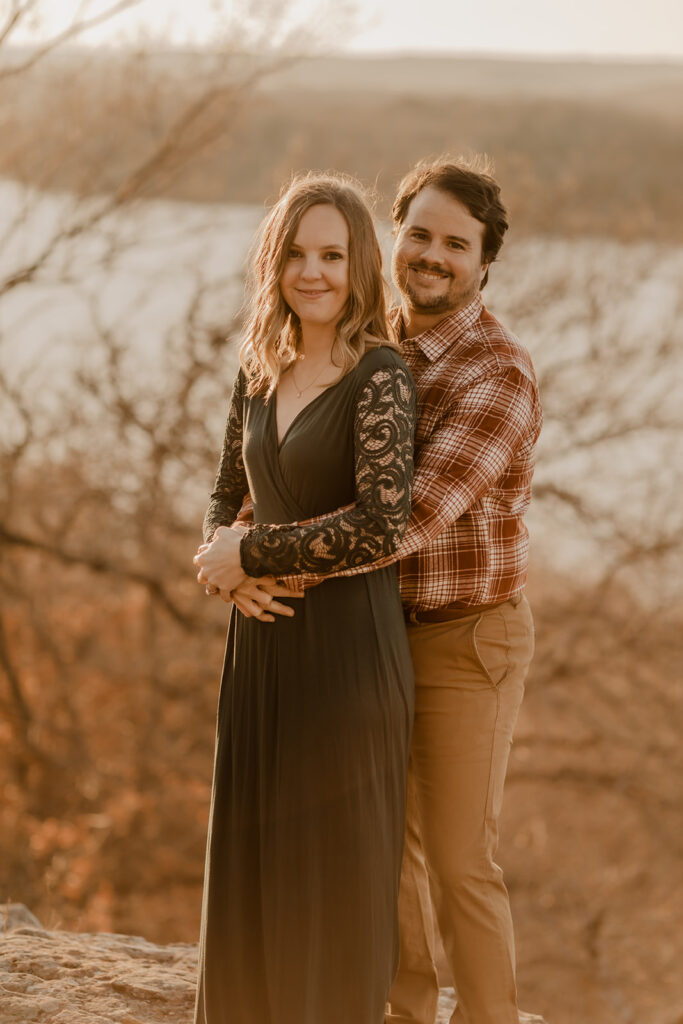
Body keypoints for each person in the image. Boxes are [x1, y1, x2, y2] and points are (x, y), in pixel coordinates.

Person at [232, 158, 545, 1024]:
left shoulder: (497, 375)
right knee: (380, 845)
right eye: (419, 234)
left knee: (456, 857)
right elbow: (295, 471)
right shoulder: (367, 345)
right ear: (392, 237)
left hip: (463, 636)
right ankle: (405, 1010)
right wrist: (235, 551)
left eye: (456, 243)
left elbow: (406, 519)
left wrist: (253, 558)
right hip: (366, 626)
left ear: (485, 261)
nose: (432, 255)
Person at [192, 172, 417, 1024]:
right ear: (274, 262)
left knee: (331, 874)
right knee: (252, 857)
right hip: (260, 647)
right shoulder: (259, 367)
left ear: (361, 265)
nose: (312, 271)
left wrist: (250, 550)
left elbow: (378, 524)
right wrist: (230, 569)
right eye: (296, 253)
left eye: (332, 254)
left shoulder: (382, 376)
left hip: (349, 658)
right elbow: (223, 493)